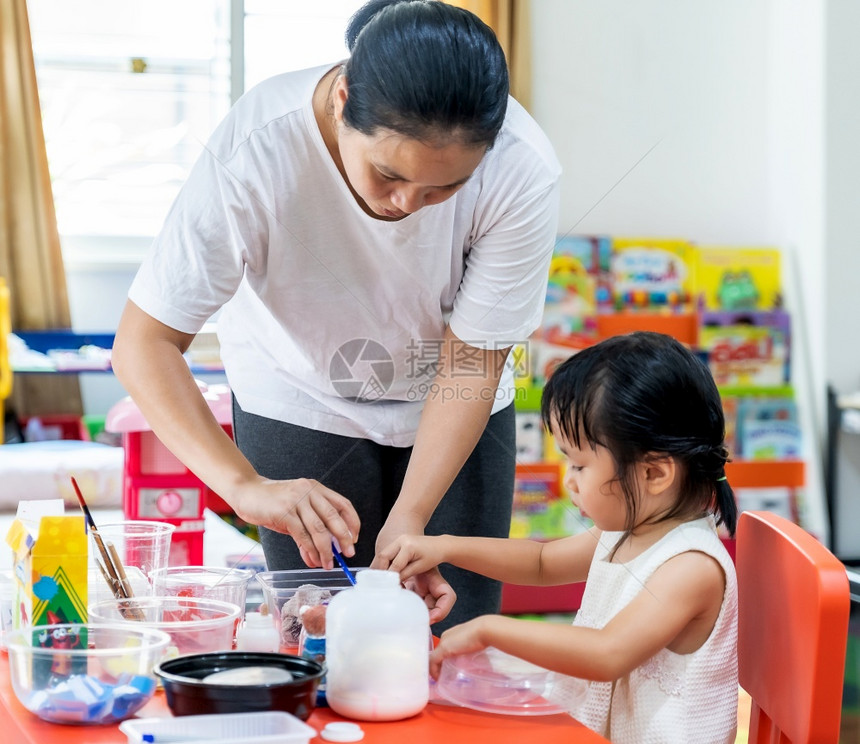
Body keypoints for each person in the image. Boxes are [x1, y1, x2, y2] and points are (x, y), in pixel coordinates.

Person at [111, 0, 561, 632]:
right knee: (319, 628)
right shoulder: (256, 149)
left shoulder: (522, 169)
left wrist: (411, 516)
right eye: (389, 174)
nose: (409, 204)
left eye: (443, 190)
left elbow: (472, 361)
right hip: (298, 393)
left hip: (454, 395)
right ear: (343, 98)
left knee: (452, 636)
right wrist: (243, 487)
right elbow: (144, 343)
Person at [378, 331, 739, 743]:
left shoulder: (691, 566)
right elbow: (541, 563)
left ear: (654, 474)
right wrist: (443, 545)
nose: (570, 483)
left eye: (580, 466)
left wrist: (490, 630)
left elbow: (607, 653)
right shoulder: (629, 531)